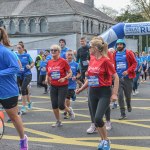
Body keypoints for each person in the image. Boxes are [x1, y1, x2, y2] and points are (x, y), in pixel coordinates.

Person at [76, 37, 119, 150]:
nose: (89, 48)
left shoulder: (105, 60)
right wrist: (81, 89)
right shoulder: (92, 58)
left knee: (99, 118)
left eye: (90, 47)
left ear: (95, 48)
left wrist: (114, 94)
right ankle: (102, 140)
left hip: (104, 92)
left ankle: (106, 140)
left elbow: (116, 77)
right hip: (93, 92)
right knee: (95, 120)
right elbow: (90, 78)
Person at [0, 27, 28, 150]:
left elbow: (16, 68)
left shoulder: (5, 52)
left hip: (7, 91)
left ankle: (23, 139)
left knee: (14, 117)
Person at [45, 44, 75, 127]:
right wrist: (46, 79)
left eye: (55, 50)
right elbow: (48, 73)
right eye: (52, 50)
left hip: (63, 85)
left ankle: (69, 111)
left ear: (59, 52)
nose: (53, 52)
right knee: (54, 104)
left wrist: (64, 78)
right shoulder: (49, 62)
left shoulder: (63, 61)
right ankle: (58, 121)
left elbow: (70, 73)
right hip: (53, 85)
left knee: (61, 105)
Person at [114, 39, 137, 120]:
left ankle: (129, 104)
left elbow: (135, 63)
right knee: (120, 96)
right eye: (118, 44)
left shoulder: (128, 53)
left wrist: (128, 71)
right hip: (118, 79)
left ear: (123, 45)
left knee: (128, 95)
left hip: (128, 78)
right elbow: (113, 65)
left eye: (121, 44)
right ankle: (122, 113)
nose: (119, 46)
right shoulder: (114, 54)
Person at [17, 43, 34, 114]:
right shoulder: (16, 55)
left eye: (19, 48)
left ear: (23, 48)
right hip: (19, 74)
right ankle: (29, 103)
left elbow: (32, 62)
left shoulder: (27, 55)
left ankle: (23, 107)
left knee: (23, 89)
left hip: (27, 74)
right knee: (24, 90)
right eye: (17, 48)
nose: (18, 49)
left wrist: (30, 66)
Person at [64, 50, 81, 119]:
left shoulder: (76, 64)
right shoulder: (63, 63)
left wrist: (76, 77)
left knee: (67, 99)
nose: (70, 56)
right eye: (68, 55)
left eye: (71, 55)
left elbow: (79, 73)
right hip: (63, 84)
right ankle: (73, 95)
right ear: (66, 56)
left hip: (71, 85)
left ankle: (68, 112)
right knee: (63, 100)